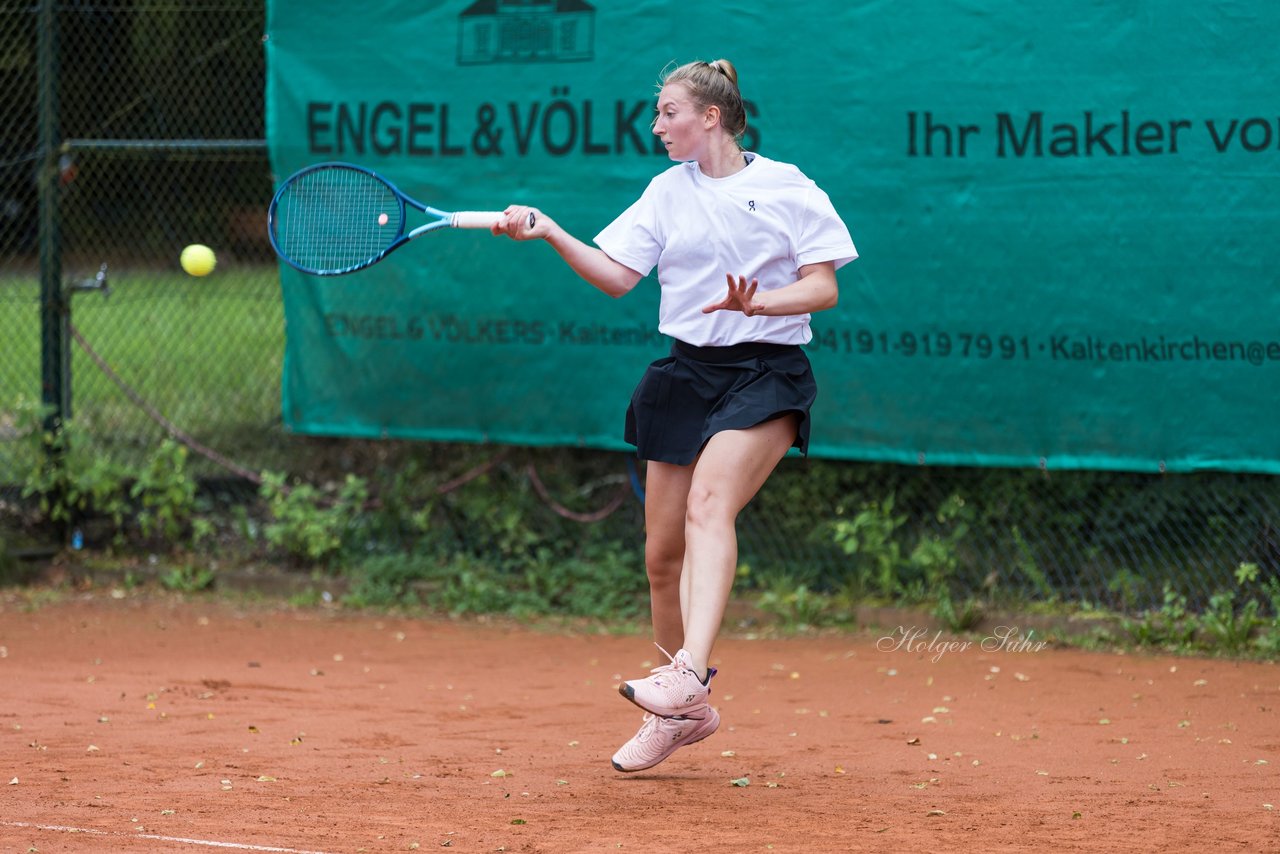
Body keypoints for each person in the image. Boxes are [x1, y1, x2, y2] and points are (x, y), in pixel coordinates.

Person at [492, 58, 858, 773]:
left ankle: (691, 670)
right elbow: (617, 277)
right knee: (662, 557)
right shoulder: (666, 191)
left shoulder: (787, 187)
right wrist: (551, 231)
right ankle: (681, 713)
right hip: (687, 373)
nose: (657, 126)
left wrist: (761, 303)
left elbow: (823, 289)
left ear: (710, 117)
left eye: (669, 113)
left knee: (708, 507)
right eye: (657, 114)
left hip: (767, 372)